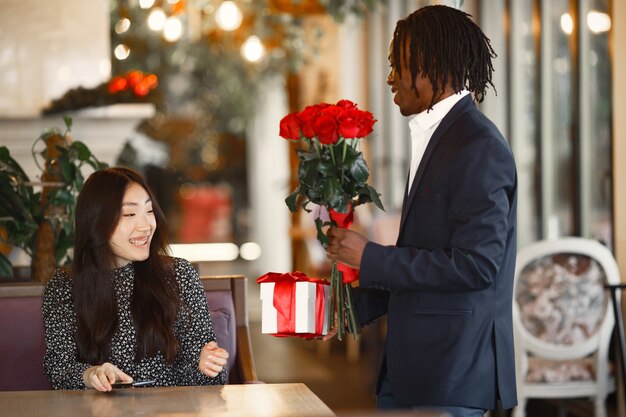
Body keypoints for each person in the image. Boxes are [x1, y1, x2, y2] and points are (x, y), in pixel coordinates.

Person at [325, 5, 517, 416]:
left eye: (398, 65)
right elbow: (427, 259)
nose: (391, 77)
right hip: (414, 373)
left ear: (429, 67)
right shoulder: (443, 137)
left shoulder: (477, 145)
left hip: (451, 373)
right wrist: (346, 310)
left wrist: (370, 256)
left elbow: (477, 265)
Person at [43, 167, 229, 391]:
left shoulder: (179, 275)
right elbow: (58, 370)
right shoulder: (65, 285)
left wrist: (207, 366)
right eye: (129, 214)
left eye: (149, 211)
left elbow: (211, 379)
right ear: (96, 221)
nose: (146, 226)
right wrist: (89, 375)